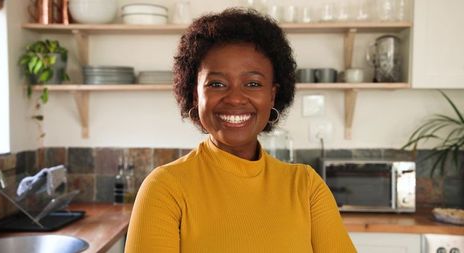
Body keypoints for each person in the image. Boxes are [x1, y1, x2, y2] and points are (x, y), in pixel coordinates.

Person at [125, 8, 356, 253]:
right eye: (216, 84)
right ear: (195, 95)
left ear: (272, 95)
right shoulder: (165, 188)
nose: (235, 99)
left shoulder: (306, 187)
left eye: (253, 83)